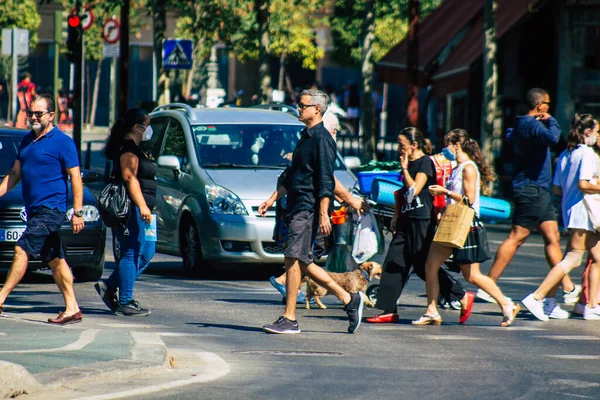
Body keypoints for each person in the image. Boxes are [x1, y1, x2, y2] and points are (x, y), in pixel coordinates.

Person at [260, 89, 365, 334]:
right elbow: (293, 175)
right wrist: (272, 198)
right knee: (301, 262)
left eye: (302, 105)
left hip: (307, 208)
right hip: (296, 206)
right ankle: (349, 299)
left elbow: (326, 181)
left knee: (293, 259)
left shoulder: (322, 139)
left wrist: (323, 213)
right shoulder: (305, 136)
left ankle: (290, 318)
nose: (299, 108)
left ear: (317, 109)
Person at [477, 88, 574, 319]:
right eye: (548, 104)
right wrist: (551, 121)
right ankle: (488, 284)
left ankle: (561, 290)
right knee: (517, 237)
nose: (549, 108)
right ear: (540, 105)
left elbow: (511, 136)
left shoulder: (521, 124)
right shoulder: (532, 124)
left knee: (552, 236)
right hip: (531, 189)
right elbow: (553, 138)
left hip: (537, 189)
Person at [366, 127, 474, 324]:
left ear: (413, 145)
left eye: (402, 145)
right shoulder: (409, 162)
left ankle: (460, 294)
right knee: (393, 261)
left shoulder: (425, 162)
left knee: (423, 265)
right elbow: (403, 196)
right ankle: (388, 310)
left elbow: (414, 190)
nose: (399, 149)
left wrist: (406, 169)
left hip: (421, 220)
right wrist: (397, 216)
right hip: (407, 220)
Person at [414, 129, 520, 326]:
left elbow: (469, 199)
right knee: (443, 268)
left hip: (465, 226)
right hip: (455, 223)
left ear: (456, 146)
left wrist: (444, 191)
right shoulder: (457, 167)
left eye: (447, 144)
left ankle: (506, 304)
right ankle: (432, 311)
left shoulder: (468, 168)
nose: (444, 149)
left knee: (466, 273)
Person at [0, 94, 84, 324]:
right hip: (35, 210)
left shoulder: (62, 142)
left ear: (51, 115)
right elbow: (15, 174)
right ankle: (72, 307)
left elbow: (75, 177)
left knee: (21, 249)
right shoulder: (28, 140)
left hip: (51, 209)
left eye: (39, 114)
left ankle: (0, 297)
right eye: (31, 113)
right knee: (56, 259)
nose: (34, 117)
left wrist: (78, 212)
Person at [522, 114, 600, 321]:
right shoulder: (587, 153)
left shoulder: (566, 154)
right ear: (587, 132)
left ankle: (588, 305)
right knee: (573, 258)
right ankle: (537, 297)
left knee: (597, 257)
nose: (598, 135)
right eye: (597, 131)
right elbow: (584, 184)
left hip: (572, 211)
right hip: (584, 211)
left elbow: (557, 188)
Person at [95, 108, 157, 317]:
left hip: (144, 211)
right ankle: (125, 301)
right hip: (132, 210)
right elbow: (130, 179)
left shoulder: (138, 149)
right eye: (147, 125)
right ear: (136, 127)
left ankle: (110, 286)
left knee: (146, 252)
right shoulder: (128, 149)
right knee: (131, 252)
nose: (149, 129)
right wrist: (142, 206)